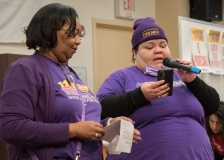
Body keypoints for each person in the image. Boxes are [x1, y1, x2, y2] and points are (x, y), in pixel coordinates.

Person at [0, 3, 141, 160]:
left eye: (80, 35)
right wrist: (72, 130)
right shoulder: (25, 69)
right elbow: (11, 128)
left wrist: (108, 124)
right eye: (72, 34)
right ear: (48, 32)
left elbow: (80, 120)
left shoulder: (70, 73)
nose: (78, 41)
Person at [96, 17, 220, 160]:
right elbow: (99, 109)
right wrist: (140, 95)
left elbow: (213, 105)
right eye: (149, 47)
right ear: (135, 53)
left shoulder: (181, 74)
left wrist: (193, 81)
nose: (158, 51)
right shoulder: (122, 77)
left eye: (163, 45)